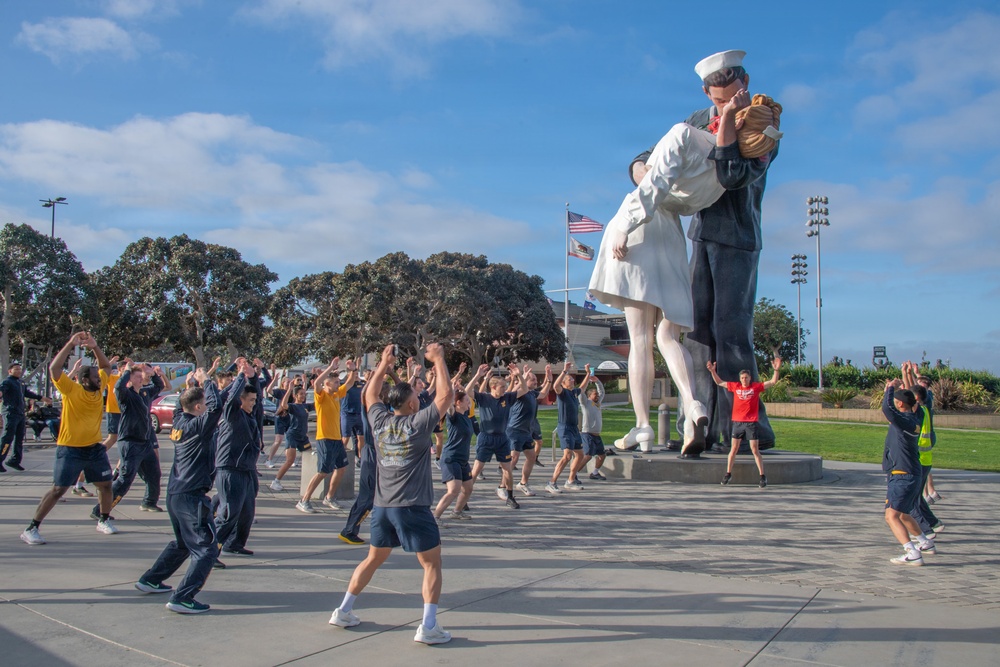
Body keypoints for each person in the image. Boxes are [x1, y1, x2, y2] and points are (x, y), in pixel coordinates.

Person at [625, 50, 781, 454]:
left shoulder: (764, 122)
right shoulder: (696, 120)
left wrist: (730, 119)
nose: (723, 104)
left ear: (744, 83)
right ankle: (700, 423)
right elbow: (654, 154)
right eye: (717, 99)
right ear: (706, 92)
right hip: (701, 235)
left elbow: (731, 176)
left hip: (739, 237)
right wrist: (641, 170)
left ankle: (745, 427)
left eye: (731, 95)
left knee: (731, 332)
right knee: (694, 332)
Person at [329, 343, 454, 645]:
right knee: (432, 564)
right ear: (412, 405)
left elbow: (370, 395)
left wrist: (384, 364)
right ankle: (428, 626)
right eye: (415, 396)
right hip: (412, 508)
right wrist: (438, 359)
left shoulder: (380, 421)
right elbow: (446, 396)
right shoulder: (418, 423)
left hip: (382, 507)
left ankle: (343, 611)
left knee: (372, 559)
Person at [134, 368, 229, 614]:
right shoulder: (198, 425)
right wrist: (206, 381)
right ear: (199, 408)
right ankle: (183, 597)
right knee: (207, 548)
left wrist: (191, 385)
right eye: (204, 404)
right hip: (190, 496)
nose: (208, 406)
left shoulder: (179, 420)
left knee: (182, 544)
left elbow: (187, 404)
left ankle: (151, 579)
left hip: (176, 493)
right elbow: (217, 407)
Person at [21, 332, 117, 544]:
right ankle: (31, 528)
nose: (98, 377)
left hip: (94, 448)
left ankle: (103, 519)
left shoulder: (99, 386)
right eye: (94, 375)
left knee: (105, 485)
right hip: (70, 449)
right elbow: (54, 370)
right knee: (58, 489)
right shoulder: (70, 390)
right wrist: (70, 344)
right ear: (84, 380)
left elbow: (106, 368)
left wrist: (95, 346)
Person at [91, 360, 164, 520]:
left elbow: (159, 387)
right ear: (130, 379)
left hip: (144, 443)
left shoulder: (145, 393)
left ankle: (149, 502)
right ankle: (101, 510)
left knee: (154, 473)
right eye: (136, 376)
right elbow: (118, 387)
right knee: (125, 479)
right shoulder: (126, 395)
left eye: (140, 376)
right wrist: (127, 371)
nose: (140, 378)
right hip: (130, 443)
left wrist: (155, 374)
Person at [880, 378, 936, 566]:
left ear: (901, 404)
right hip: (913, 473)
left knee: (891, 516)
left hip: (902, 475)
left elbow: (887, 409)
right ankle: (924, 542)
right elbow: (919, 401)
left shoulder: (903, 420)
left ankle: (911, 552)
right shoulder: (917, 417)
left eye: (897, 400)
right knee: (904, 513)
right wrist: (905, 386)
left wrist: (889, 388)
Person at [707, 356, 782, 487]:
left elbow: (772, 382)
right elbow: (720, 383)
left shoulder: (755, 388)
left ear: (750, 378)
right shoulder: (735, 387)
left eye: (746, 378)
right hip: (737, 423)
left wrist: (776, 370)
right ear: (740, 379)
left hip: (751, 424)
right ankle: (728, 474)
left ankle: (762, 476)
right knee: (734, 449)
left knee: (754, 450)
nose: (744, 380)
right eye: (742, 378)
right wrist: (713, 371)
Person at [213, 358, 260, 558]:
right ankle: (209, 551)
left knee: (246, 512)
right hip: (230, 469)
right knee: (228, 513)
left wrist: (253, 376)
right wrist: (240, 376)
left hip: (246, 470)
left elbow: (254, 391)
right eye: (250, 400)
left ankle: (234, 543)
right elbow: (232, 397)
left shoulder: (249, 414)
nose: (254, 403)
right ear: (241, 401)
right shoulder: (232, 413)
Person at [297, 358, 357, 513]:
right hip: (324, 438)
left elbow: (350, 383)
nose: (339, 384)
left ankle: (329, 497)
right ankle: (304, 500)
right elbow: (317, 384)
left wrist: (352, 369)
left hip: (337, 439)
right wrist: (330, 367)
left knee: (342, 468)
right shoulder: (321, 396)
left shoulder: (336, 395)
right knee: (323, 471)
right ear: (328, 383)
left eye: (338, 382)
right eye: (336, 382)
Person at [466, 362, 528, 509]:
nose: (505, 389)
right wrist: (478, 376)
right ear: (493, 387)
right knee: (475, 471)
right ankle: (464, 499)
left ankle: (510, 496)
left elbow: (524, 389)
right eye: (502, 386)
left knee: (507, 469)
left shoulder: (507, 398)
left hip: (502, 438)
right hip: (486, 438)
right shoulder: (484, 398)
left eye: (505, 386)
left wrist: (519, 375)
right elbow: (468, 390)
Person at [510, 365, 553, 497]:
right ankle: (503, 486)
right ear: (525, 381)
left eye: (535, 380)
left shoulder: (532, 393)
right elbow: (512, 391)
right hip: (515, 430)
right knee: (513, 459)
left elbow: (544, 393)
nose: (536, 382)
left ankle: (523, 483)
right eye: (533, 380)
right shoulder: (520, 393)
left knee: (531, 456)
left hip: (526, 431)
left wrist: (549, 380)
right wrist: (521, 376)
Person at [545, 361, 587, 494]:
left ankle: (570, 480)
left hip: (574, 428)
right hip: (565, 427)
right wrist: (564, 371)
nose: (572, 380)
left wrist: (588, 373)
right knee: (567, 456)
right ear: (564, 383)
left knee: (580, 454)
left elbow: (584, 387)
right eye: (569, 379)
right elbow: (555, 385)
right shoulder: (562, 393)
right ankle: (551, 482)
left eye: (572, 378)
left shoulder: (574, 392)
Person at [434, 390, 475, 522]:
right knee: (453, 490)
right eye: (467, 400)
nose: (469, 402)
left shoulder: (466, 416)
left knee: (468, 488)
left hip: (463, 459)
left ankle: (457, 512)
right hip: (451, 458)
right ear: (458, 403)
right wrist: (451, 388)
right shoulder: (453, 416)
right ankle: (435, 517)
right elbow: (448, 403)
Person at [2, 360, 43, 471]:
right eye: (16, 369)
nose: (19, 371)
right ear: (10, 371)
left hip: (20, 414)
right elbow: (1, 391)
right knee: (7, 438)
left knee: (19, 438)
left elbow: (27, 393)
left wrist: (41, 398)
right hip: (10, 413)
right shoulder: (7, 382)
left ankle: (14, 461)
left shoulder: (21, 382)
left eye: (20, 369)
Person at [271, 384, 311, 492]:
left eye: (304, 394)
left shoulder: (306, 406)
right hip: (292, 436)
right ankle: (276, 481)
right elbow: (283, 404)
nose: (303, 396)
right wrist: (289, 389)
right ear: (295, 396)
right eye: (301, 394)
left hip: (303, 437)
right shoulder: (293, 406)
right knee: (290, 460)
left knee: (310, 458)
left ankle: (309, 482)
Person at [579, 368, 608, 481]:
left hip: (597, 435)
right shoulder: (585, 403)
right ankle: (574, 474)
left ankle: (595, 473)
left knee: (602, 455)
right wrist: (587, 378)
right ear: (589, 396)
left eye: (597, 395)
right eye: (594, 395)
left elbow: (602, 392)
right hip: (587, 434)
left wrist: (597, 381)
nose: (597, 396)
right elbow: (581, 392)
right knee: (588, 456)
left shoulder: (597, 404)